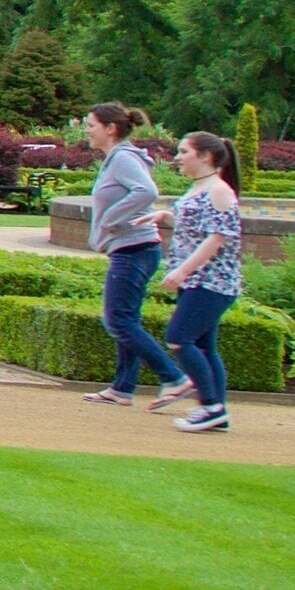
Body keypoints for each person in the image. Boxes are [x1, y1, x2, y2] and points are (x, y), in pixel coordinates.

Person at [79, 100, 191, 409]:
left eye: (91, 125)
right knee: (125, 319)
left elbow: (147, 191)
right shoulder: (117, 158)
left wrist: (112, 220)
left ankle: (174, 378)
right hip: (134, 249)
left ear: (110, 128)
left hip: (134, 250)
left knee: (117, 320)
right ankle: (122, 388)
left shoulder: (123, 158)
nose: (86, 130)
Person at [156, 130, 248, 434]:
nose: (177, 157)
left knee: (178, 337)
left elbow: (217, 237)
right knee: (205, 347)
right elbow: (198, 224)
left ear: (205, 156)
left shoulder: (219, 189)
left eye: (184, 152)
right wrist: (165, 216)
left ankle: (210, 406)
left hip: (212, 281)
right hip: (199, 281)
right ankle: (216, 411)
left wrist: (182, 270)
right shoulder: (202, 187)